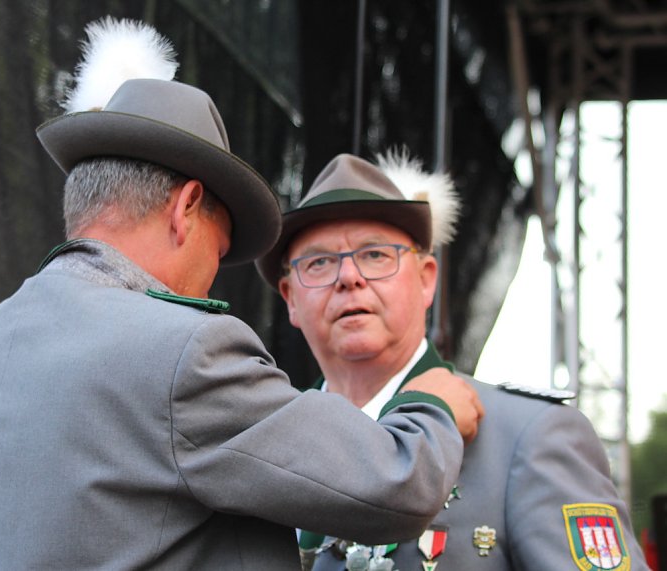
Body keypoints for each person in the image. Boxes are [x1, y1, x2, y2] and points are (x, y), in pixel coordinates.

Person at [0, 18, 485, 570]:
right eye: (217, 251)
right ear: (186, 207)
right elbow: (397, 486)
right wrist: (432, 404)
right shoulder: (182, 352)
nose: (212, 278)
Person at [255, 151, 649, 570]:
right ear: (291, 299)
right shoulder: (266, 445)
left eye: (375, 255)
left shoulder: (527, 435)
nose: (349, 277)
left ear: (426, 280)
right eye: (319, 262)